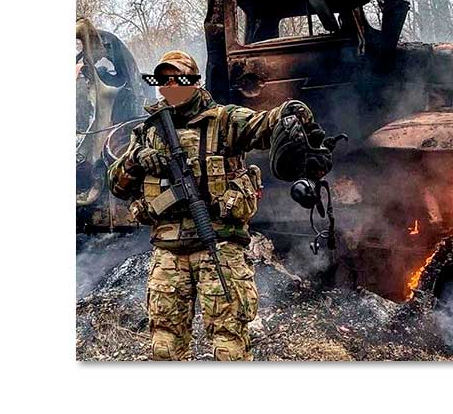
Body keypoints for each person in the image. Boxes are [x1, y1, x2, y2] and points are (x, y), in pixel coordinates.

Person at [107, 50, 333, 361]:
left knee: (229, 347)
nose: (170, 86)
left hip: (219, 248)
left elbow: (262, 125)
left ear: (194, 82)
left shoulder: (224, 121)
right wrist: (136, 159)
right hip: (169, 253)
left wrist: (289, 112)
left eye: (178, 79)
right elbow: (116, 184)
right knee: (164, 348)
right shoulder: (147, 132)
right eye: (164, 81)